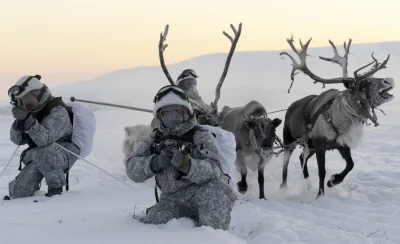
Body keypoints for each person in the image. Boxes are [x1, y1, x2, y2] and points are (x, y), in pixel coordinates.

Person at [125, 85, 237, 230]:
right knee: (155, 224)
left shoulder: (201, 135)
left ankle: (213, 237)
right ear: (159, 115)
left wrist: (188, 165)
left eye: (177, 111)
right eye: (166, 113)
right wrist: (155, 162)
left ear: (186, 112)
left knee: (218, 190)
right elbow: (132, 170)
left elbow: (216, 171)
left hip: (203, 195)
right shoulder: (154, 139)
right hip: (171, 200)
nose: (172, 117)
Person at [6, 75, 80, 199]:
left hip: (64, 153)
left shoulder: (58, 110)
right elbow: (16, 140)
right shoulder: (31, 113)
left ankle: (56, 190)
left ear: (38, 94)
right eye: (23, 101)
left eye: (28, 100)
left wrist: (28, 120)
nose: (26, 104)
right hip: (39, 154)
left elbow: (44, 140)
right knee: (18, 193)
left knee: (44, 151)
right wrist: (19, 123)